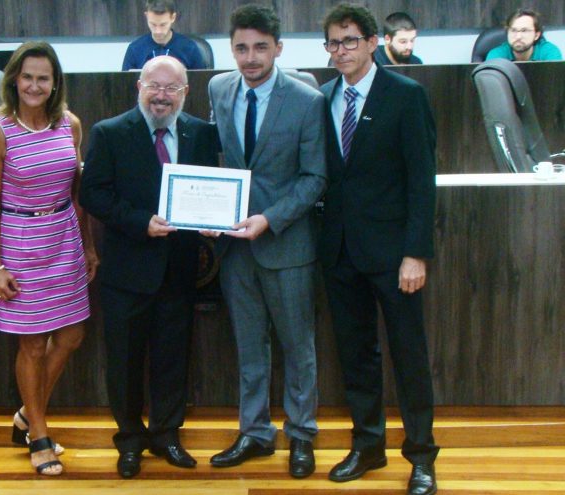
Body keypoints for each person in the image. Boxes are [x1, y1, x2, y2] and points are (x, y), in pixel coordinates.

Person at [80, 55, 218, 478]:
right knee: (124, 361)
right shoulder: (110, 133)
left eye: (171, 88)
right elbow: (93, 195)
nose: (161, 95)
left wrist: (213, 221)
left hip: (179, 270)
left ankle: (166, 435)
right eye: (153, 86)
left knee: (173, 356)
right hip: (127, 271)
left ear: (185, 93)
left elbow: (210, 187)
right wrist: (141, 222)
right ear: (138, 86)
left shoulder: (201, 133)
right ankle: (129, 440)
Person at [320, 4, 438, 495]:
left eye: (349, 41)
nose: (341, 51)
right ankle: (368, 446)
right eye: (333, 43)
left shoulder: (406, 95)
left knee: (408, 356)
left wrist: (416, 253)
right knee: (356, 356)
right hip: (340, 252)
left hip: (394, 255)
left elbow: (421, 182)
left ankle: (422, 457)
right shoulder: (322, 97)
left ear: (372, 42)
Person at [206, 3, 327, 479]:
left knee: (299, 347)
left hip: (287, 243)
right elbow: (221, 160)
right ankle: (254, 432)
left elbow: (315, 178)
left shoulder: (307, 99)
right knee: (249, 346)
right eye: (240, 48)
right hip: (234, 246)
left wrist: (269, 218)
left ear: (279, 48)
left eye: (260, 47)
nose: (250, 57)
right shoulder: (218, 88)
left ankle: (301, 435)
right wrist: (209, 211)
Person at [0, 41, 98, 476]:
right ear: (14, 80)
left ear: (54, 83)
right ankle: (39, 433)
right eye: (26, 77)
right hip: (19, 243)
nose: (34, 85)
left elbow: (76, 192)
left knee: (71, 336)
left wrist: (87, 245)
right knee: (31, 342)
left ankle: (27, 412)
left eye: (42, 78)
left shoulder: (71, 125)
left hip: (64, 237)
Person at [122, 0, 206, 70]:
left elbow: (201, 84)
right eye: (153, 24)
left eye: (163, 25)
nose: (157, 31)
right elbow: (125, 87)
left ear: (173, 18)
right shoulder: (134, 49)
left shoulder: (190, 48)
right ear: (146, 16)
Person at [486, 8, 563, 62]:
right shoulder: (497, 54)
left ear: (536, 35)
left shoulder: (549, 52)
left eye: (524, 31)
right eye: (513, 30)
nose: (518, 36)